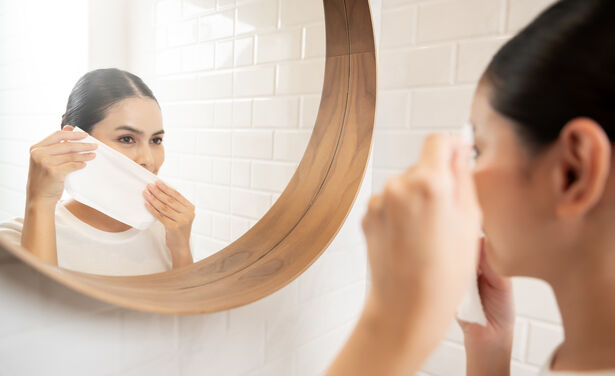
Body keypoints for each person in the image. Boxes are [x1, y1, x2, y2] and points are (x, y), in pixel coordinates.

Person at [328, 0, 615, 374]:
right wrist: (490, 347)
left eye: (479, 148)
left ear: (572, 171)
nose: (470, 174)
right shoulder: (581, 358)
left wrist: (392, 321)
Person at [0, 68, 195, 276]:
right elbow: (35, 306)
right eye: (127, 139)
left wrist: (181, 250)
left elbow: (185, 309)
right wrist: (38, 202)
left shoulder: (170, 232)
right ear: (76, 139)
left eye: (156, 140)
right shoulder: (15, 238)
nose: (148, 159)